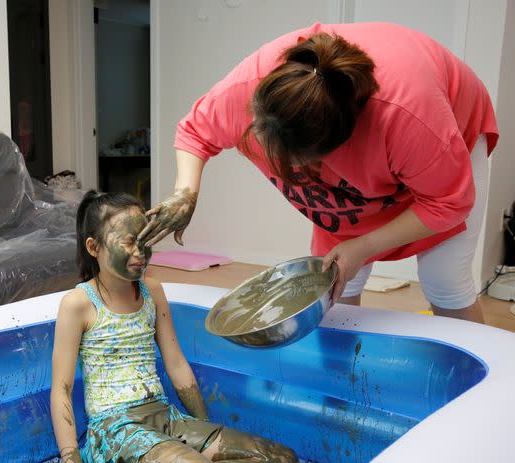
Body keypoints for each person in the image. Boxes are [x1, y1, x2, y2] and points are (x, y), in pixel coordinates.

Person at [138, 22, 498, 324]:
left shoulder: (406, 116)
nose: (290, 172)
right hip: (372, 169)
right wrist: (185, 193)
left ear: (341, 143)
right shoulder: (246, 93)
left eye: (301, 164)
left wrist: (366, 245)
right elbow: (194, 132)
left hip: (449, 137)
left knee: (444, 278)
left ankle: (478, 390)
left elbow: (449, 202)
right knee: (337, 280)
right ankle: (343, 385)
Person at [50, 191, 299, 463]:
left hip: (166, 418)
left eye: (147, 240)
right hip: (118, 429)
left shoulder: (152, 290)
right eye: (128, 243)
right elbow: (61, 390)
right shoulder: (78, 303)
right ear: (94, 248)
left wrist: (205, 429)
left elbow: (177, 364)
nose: (141, 253)